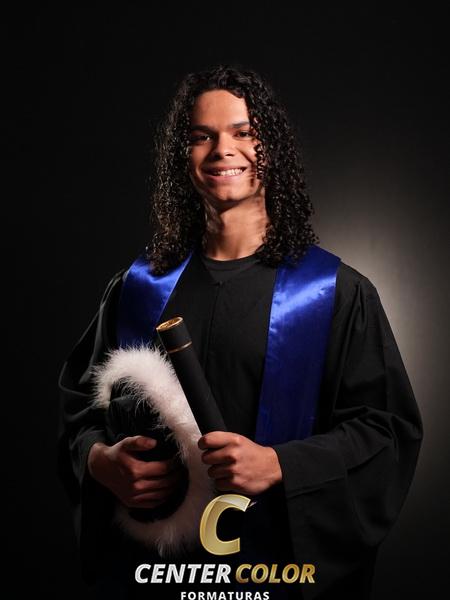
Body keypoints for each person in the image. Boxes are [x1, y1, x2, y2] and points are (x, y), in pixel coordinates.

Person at [58, 65, 423, 600]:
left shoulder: (333, 293)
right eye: (201, 136)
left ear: (271, 148)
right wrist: (101, 462)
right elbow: (79, 410)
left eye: (244, 132)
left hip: (273, 576)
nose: (222, 150)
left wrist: (281, 464)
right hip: (156, 574)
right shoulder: (136, 289)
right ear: (183, 156)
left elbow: (385, 431)